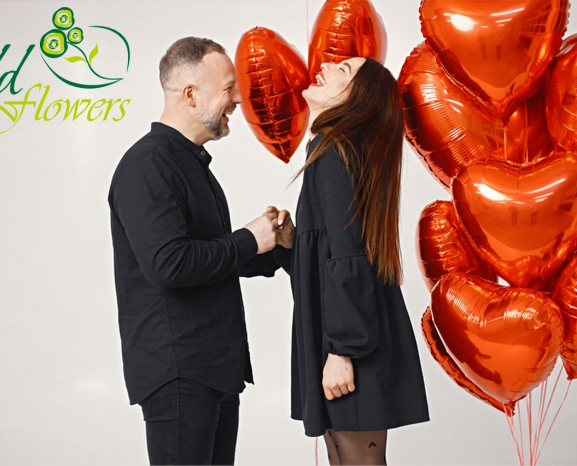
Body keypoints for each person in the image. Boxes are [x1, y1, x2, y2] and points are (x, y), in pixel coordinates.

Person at [108, 37, 286, 465]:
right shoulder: (148, 164)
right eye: (228, 88)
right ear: (190, 94)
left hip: (212, 369)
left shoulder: (189, 163)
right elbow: (168, 265)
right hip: (179, 373)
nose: (238, 99)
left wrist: (275, 247)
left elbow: (207, 257)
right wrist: (249, 238)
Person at [268, 57, 430, 465]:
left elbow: (348, 257)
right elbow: (333, 255)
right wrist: (293, 244)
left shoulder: (334, 151)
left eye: (343, 70)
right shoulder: (335, 150)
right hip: (347, 332)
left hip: (350, 341)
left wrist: (342, 352)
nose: (326, 65)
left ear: (360, 98)